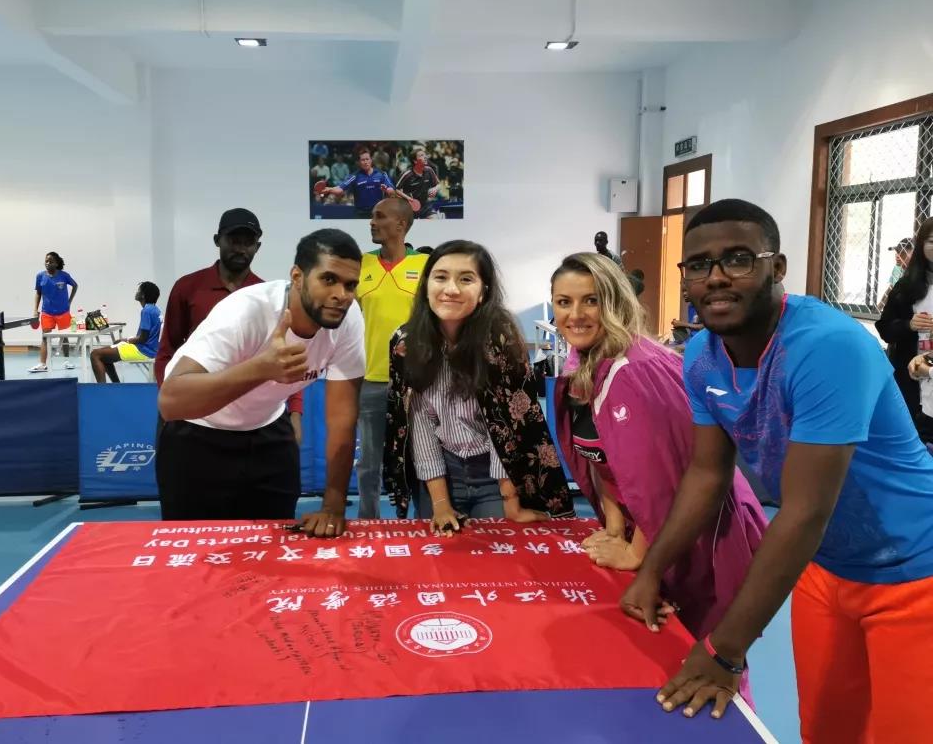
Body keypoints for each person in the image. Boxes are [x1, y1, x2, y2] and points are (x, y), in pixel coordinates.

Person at [621, 200, 933, 739]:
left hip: (916, 574)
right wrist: (652, 569)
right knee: (825, 731)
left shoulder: (825, 347)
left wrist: (725, 650)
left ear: (777, 267)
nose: (716, 277)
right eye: (699, 265)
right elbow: (708, 475)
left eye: (738, 259)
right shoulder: (701, 356)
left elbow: (805, 512)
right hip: (826, 569)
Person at [548, 252, 765, 654]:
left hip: (698, 538)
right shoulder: (586, 361)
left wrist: (636, 556)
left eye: (591, 300)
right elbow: (605, 463)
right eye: (564, 302)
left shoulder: (633, 374)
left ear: (614, 301)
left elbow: (658, 484)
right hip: (652, 529)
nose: (575, 315)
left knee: (705, 656)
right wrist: (614, 528)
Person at [157, 229, 365, 534]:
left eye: (350, 285)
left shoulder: (348, 318)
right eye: (328, 279)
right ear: (297, 277)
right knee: (196, 554)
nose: (341, 295)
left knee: (273, 548)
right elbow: (171, 402)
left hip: (268, 433)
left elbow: (342, 420)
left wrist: (333, 506)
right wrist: (260, 369)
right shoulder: (246, 311)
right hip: (198, 436)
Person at [383, 240, 574, 531]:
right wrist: (440, 503)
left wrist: (509, 498)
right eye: (440, 277)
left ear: (483, 291)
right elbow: (419, 422)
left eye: (466, 279)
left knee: (500, 549)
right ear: (426, 285)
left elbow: (506, 426)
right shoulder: (406, 343)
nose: (451, 289)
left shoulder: (500, 340)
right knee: (440, 551)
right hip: (440, 472)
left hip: (496, 473)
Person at [154, 208, 301, 438]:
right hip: (194, 410)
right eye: (233, 240)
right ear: (217, 240)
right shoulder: (188, 287)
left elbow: (286, 357)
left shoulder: (268, 297)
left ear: (258, 247)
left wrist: (295, 412)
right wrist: (172, 397)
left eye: (248, 242)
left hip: (251, 417)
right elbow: (167, 350)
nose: (240, 249)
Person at [355, 198, 429, 518]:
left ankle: (427, 520)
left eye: (379, 216)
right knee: (369, 463)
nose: (372, 222)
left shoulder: (426, 266)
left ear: (401, 224)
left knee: (423, 459)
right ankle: (367, 522)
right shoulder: (361, 264)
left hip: (417, 382)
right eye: (372, 216)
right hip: (371, 380)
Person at [875, 220, 932, 425]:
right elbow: (885, 328)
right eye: (931, 241)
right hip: (911, 381)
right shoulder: (906, 286)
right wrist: (909, 325)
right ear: (921, 245)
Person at [91, 282, 162, 383]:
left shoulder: (146, 311)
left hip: (143, 351)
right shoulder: (156, 309)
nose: (136, 292)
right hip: (152, 349)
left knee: (95, 354)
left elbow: (143, 338)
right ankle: (116, 386)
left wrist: (126, 340)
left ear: (143, 295)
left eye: (138, 290)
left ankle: (102, 390)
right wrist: (125, 340)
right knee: (106, 354)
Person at [29, 252, 77, 374]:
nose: (47, 263)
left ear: (56, 263)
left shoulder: (64, 275)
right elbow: (38, 293)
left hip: (63, 311)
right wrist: (35, 310)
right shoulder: (40, 276)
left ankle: (66, 361)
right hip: (47, 312)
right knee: (45, 337)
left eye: (50, 261)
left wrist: (69, 301)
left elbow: (75, 285)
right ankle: (42, 364)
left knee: (64, 337)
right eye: (46, 261)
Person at [320, 150, 397, 219]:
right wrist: (329, 189)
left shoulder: (382, 174)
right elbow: (340, 189)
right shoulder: (354, 176)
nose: (365, 162)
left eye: (367, 159)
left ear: (371, 160)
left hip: (377, 212)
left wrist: (387, 190)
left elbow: (392, 190)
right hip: (360, 213)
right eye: (363, 160)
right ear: (359, 162)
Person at [393, 147, 441, 219]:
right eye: (421, 155)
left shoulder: (429, 170)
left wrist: (435, 189)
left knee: (435, 219)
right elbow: (396, 190)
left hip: (425, 206)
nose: (425, 157)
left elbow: (438, 184)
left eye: (425, 155)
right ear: (415, 161)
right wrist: (408, 198)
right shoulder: (407, 174)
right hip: (410, 207)